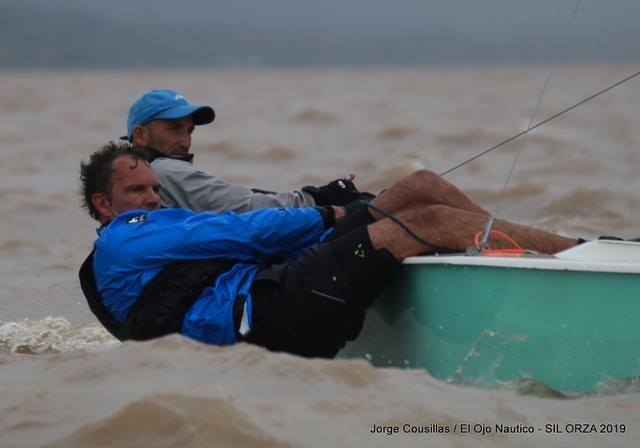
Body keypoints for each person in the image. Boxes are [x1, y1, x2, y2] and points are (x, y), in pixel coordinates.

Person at [79, 142, 577, 357]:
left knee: (418, 185)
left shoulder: (146, 227)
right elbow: (244, 233)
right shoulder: (128, 235)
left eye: (152, 188)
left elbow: (240, 244)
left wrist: (355, 213)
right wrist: (327, 213)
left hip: (272, 287)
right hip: (265, 315)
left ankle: (560, 250)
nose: (150, 197)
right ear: (104, 204)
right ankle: (571, 260)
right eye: (136, 192)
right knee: (424, 222)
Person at [121, 88, 371, 212]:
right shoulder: (165, 170)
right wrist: (321, 197)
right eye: (174, 129)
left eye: (189, 131)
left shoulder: (124, 178)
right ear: (141, 135)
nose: (185, 142)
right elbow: (246, 207)